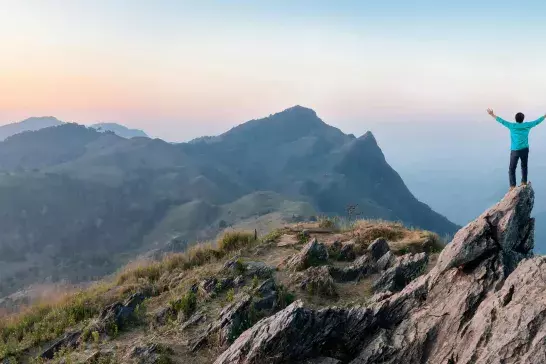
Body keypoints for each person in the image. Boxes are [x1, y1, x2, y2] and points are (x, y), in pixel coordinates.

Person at [487, 109, 546, 189]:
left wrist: (492, 114)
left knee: (512, 168)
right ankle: (524, 182)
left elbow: (502, 121)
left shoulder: (512, 126)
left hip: (515, 150)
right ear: (523, 119)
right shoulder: (527, 125)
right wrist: (545, 116)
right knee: (524, 166)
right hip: (525, 149)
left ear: (515, 119)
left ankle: (512, 186)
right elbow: (537, 121)